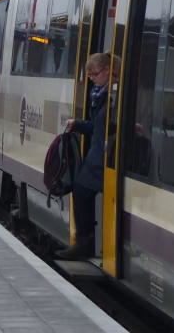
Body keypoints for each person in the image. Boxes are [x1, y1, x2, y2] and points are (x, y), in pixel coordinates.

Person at [55, 52, 118, 260]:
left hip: (106, 155)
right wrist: (78, 124)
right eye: (89, 76)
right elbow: (97, 126)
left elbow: (110, 125)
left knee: (81, 191)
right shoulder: (101, 94)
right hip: (98, 152)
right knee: (81, 190)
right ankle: (86, 240)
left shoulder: (114, 95)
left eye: (94, 74)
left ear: (108, 72)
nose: (91, 79)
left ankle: (85, 243)